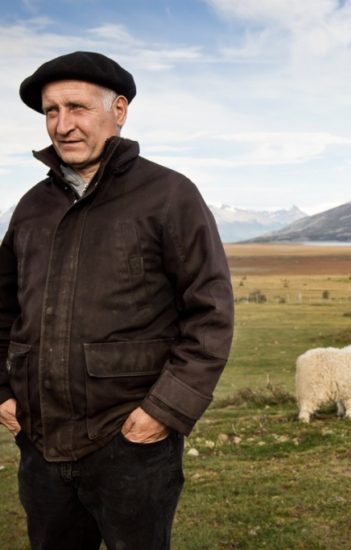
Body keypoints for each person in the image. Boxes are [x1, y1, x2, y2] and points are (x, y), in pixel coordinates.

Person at [0, 51, 234, 550]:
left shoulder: (169, 195)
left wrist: (164, 412)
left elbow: (210, 314)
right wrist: (1, 387)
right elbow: (3, 309)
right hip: (41, 446)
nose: (63, 125)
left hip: (130, 444)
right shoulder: (32, 207)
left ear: (120, 110)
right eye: (51, 111)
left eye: (78, 107)